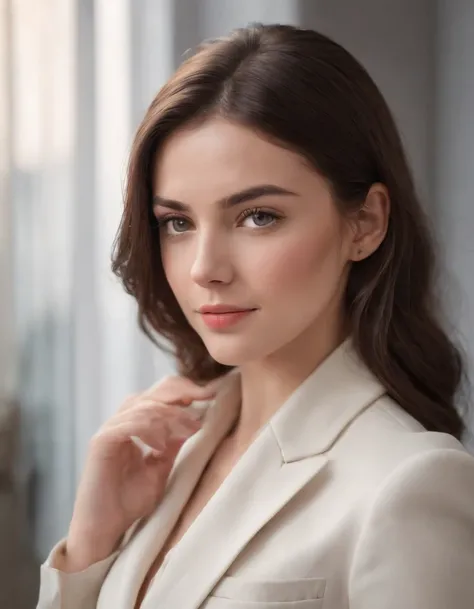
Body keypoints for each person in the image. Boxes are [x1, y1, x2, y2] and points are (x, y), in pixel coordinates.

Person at [37, 23, 474, 609]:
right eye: (178, 223)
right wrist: (92, 543)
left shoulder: (409, 483)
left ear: (365, 223)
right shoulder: (165, 456)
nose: (204, 269)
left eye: (258, 216)